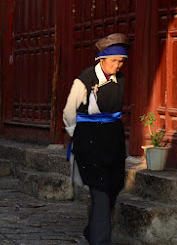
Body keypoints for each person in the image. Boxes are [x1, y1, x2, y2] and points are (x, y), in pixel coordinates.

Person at [63, 33, 130, 245]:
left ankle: (91, 231)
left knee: (114, 186)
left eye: (121, 61)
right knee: (99, 189)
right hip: (89, 140)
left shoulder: (120, 80)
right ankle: (100, 241)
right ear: (101, 59)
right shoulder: (84, 80)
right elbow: (69, 112)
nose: (118, 65)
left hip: (113, 139)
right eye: (114, 61)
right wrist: (79, 135)